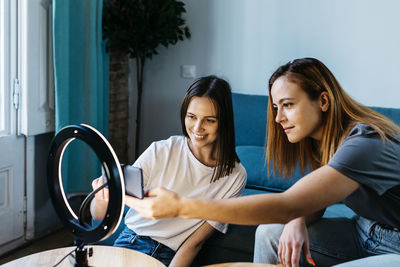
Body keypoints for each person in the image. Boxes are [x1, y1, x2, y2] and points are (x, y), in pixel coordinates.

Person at [124, 58, 400, 267]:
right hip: (364, 228)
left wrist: (181, 207)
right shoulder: (324, 143)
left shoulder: (365, 144)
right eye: (276, 107)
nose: (278, 118)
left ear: (324, 100)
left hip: (395, 245)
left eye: (288, 105)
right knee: (271, 233)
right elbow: (308, 204)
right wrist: (297, 219)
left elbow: (287, 204)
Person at [90, 75, 246, 267]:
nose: (198, 128)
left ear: (223, 122)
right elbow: (98, 217)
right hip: (132, 242)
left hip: (172, 255)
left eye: (209, 120)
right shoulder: (161, 150)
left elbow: (195, 242)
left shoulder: (235, 176)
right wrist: (100, 197)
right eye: (192, 117)